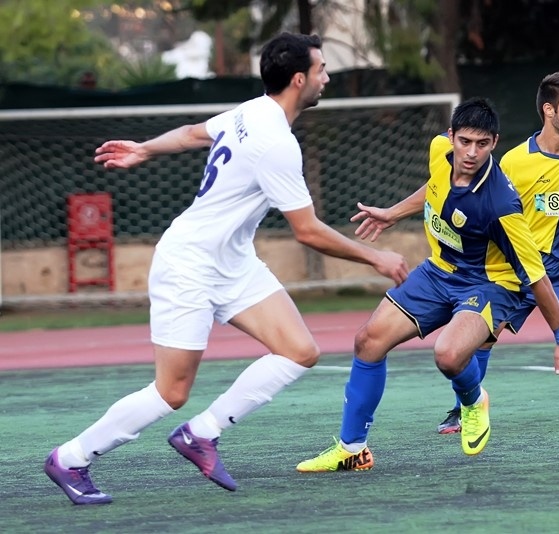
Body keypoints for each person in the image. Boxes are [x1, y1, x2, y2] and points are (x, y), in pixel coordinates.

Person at [44, 32, 409, 506]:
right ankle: (71, 459)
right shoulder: (276, 141)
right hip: (189, 265)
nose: (327, 77)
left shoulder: (254, 111)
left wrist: (147, 149)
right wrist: (377, 257)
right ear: (299, 80)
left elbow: (197, 132)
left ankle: (204, 433)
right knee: (171, 391)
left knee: (299, 350)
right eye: (321, 69)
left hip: (232, 261)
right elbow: (308, 231)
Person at [295, 97, 559, 472]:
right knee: (368, 341)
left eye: (482, 144)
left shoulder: (501, 204)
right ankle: (352, 449)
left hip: (490, 284)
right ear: (450, 136)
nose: (471, 153)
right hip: (439, 271)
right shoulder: (441, 151)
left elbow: (536, 275)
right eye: (465, 141)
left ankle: (473, 399)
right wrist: (392, 213)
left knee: (449, 354)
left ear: (494, 143)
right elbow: (436, 184)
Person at [434, 71, 559, 433]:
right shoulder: (513, 162)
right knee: (482, 333)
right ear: (549, 110)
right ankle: (461, 407)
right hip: (520, 270)